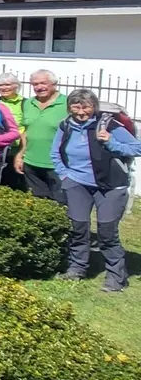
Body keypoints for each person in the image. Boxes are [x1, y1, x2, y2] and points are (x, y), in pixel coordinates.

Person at [51, 89, 141, 292]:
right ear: (69, 107)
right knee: (78, 228)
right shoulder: (66, 125)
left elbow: (137, 147)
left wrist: (111, 142)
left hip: (110, 186)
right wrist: (65, 176)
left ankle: (116, 278)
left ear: (94, 107)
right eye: (76, 106)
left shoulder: (109, 125)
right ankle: (77, 269)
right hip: (77, 183)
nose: (81, 111)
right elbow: (55, 152)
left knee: (106, 233)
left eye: (86, 107)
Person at [18, 70, 68, 203]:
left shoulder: (67, 104)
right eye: (35, 84)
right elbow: (27, 131)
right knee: (39, 203)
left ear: (54, 84)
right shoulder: (29, 103)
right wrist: (20, 155)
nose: (39, 87)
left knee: (61, 203)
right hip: (31, 162)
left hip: (57, 164)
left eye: (43, 83)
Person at [0, 73, 27, 190]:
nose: (4, 88)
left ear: (16, 86)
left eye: (7, 85)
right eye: (0, 85)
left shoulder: (25, 103)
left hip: (18, 148)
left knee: (18, 182)